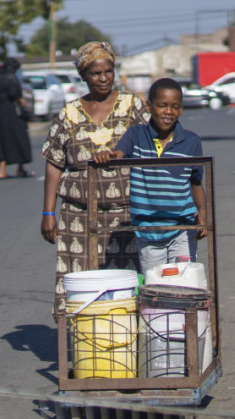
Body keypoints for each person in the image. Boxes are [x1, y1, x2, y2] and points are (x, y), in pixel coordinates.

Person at [40, 41, 149, 318]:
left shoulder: (133, 106)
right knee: (79, 287)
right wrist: (48, 213)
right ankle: (82, 349)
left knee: (125, 286)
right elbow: (54, 163)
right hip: (78, 216)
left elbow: (153, 149)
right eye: (96, 74)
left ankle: (124, 348)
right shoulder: (68, 113)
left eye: (108, 71)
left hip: (125, 215)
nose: (103, 79)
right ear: (83, 77)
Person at [95, 78, 206, 272]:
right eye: (162, 106)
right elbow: (118, 155)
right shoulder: (136, 135)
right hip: (148, 232)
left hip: (181, 228)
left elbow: (196, 182)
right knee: (155, 286)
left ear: (181, 110)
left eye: (175, 107)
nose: (168, 112)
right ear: (149, 106)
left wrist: (203, 214)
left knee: (183, 284)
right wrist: (108, 156)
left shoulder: (191, 141)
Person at [0, 58, 32, 178]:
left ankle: (2, 170)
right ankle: (20, 168)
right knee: (19, 137)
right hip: (11, 112)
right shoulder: (12, 78)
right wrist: (22, 102)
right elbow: (14, 95)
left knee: (0, 139)